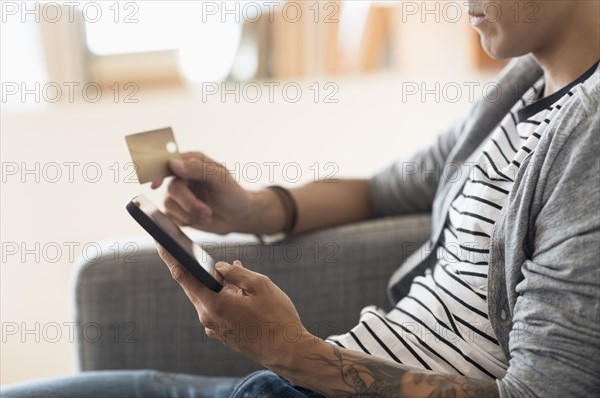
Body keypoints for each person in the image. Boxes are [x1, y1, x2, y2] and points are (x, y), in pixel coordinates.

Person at [3, 0, 599, 397]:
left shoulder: (590, 135)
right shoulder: (522, 85)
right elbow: (389, 188)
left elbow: (542, 393)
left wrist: (292, 352)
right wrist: (250, 209)